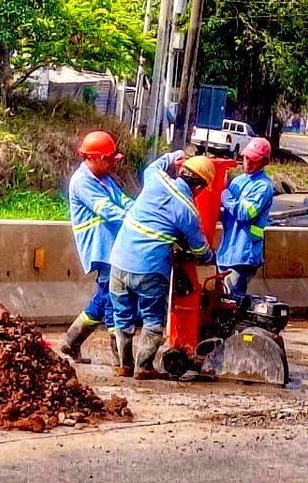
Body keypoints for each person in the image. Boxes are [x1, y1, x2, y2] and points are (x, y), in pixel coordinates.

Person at [108, 152, 216, 379]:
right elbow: (200, 250)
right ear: (199, 186)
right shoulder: (188, 210)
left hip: (119, 260)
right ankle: (143, 366)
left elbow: (156, 164)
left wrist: (177, 154)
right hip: (150, 268)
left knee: (122, 315)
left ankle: (124, 365)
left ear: (181, 170)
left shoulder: (154, 177)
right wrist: (210, 257)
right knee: (152, 317)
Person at [60, 130, 132, 364]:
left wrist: (141, 212)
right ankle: (121, 356)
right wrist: (136, 222)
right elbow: (107, 210)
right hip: (100, 247)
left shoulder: (105, 179)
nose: (113, 163)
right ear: (97, 158)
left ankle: (71, 341)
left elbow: (124, 201)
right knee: (113, 298)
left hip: (112, 247)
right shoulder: (82, 182)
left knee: (104, 298)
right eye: (110, 159)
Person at [218, 137, 275, 298]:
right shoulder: (237, 181)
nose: (248, 163)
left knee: (232, 299)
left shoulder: (263, 186)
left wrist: (224, 194)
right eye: (246, 158)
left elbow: (244, 213)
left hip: (244, 254)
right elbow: (227, 213)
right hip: (226, 253)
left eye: (253, 160)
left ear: (264, 162)